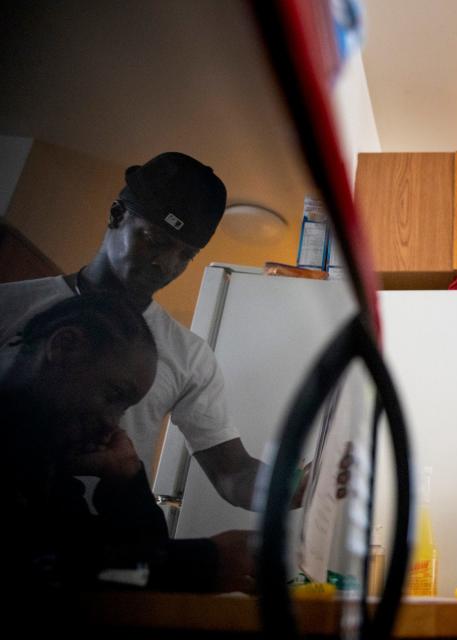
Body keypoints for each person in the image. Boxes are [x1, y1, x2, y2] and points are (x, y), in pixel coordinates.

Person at [0, 152, 265, 509]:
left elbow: (232, 474)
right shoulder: (10, 305)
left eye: (186, 255)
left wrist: (302, 486)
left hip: (97, 543)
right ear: (116, 215)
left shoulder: (189, 356)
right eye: (156, 239)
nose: (167, 264)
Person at [3, 294, 255, 592]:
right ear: (64, 345)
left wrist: (125, 480)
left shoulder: (42, 469)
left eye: (123, 408)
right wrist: (201, 562)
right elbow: (39, 566)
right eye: (113, 395)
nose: (113, 423)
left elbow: (125, 571)